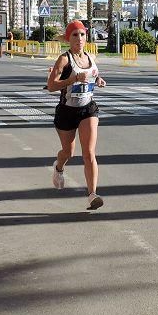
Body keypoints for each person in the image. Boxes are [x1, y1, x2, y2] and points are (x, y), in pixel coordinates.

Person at [46, 20, 107, 210]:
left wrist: (98, 79)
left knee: (89, 153)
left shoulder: (91, 56)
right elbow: (51, 86)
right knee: (68, 152)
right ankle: (59, 167)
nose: (79, 39)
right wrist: (72, 79)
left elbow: (93, 74)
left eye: (82, 34)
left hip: (88, 109)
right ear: (68, 38)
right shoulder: (64, 60)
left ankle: (92, 194)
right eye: (75, 35)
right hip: (67, 111)